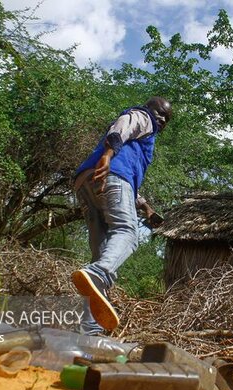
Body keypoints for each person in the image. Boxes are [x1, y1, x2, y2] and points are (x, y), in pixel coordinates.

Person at [71, 96, 172, 335]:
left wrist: (146, 208)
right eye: (161, 115)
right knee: (127, 232)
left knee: (104, 254)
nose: (163, 120)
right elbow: (123, 125)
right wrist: (107, 155)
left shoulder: (139, 145)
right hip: (110, 175)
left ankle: (90, 327)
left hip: (88, 184)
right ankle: (99, 274)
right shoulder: (144, 117)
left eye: (166, 118)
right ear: (152, 111)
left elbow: (130, 185)